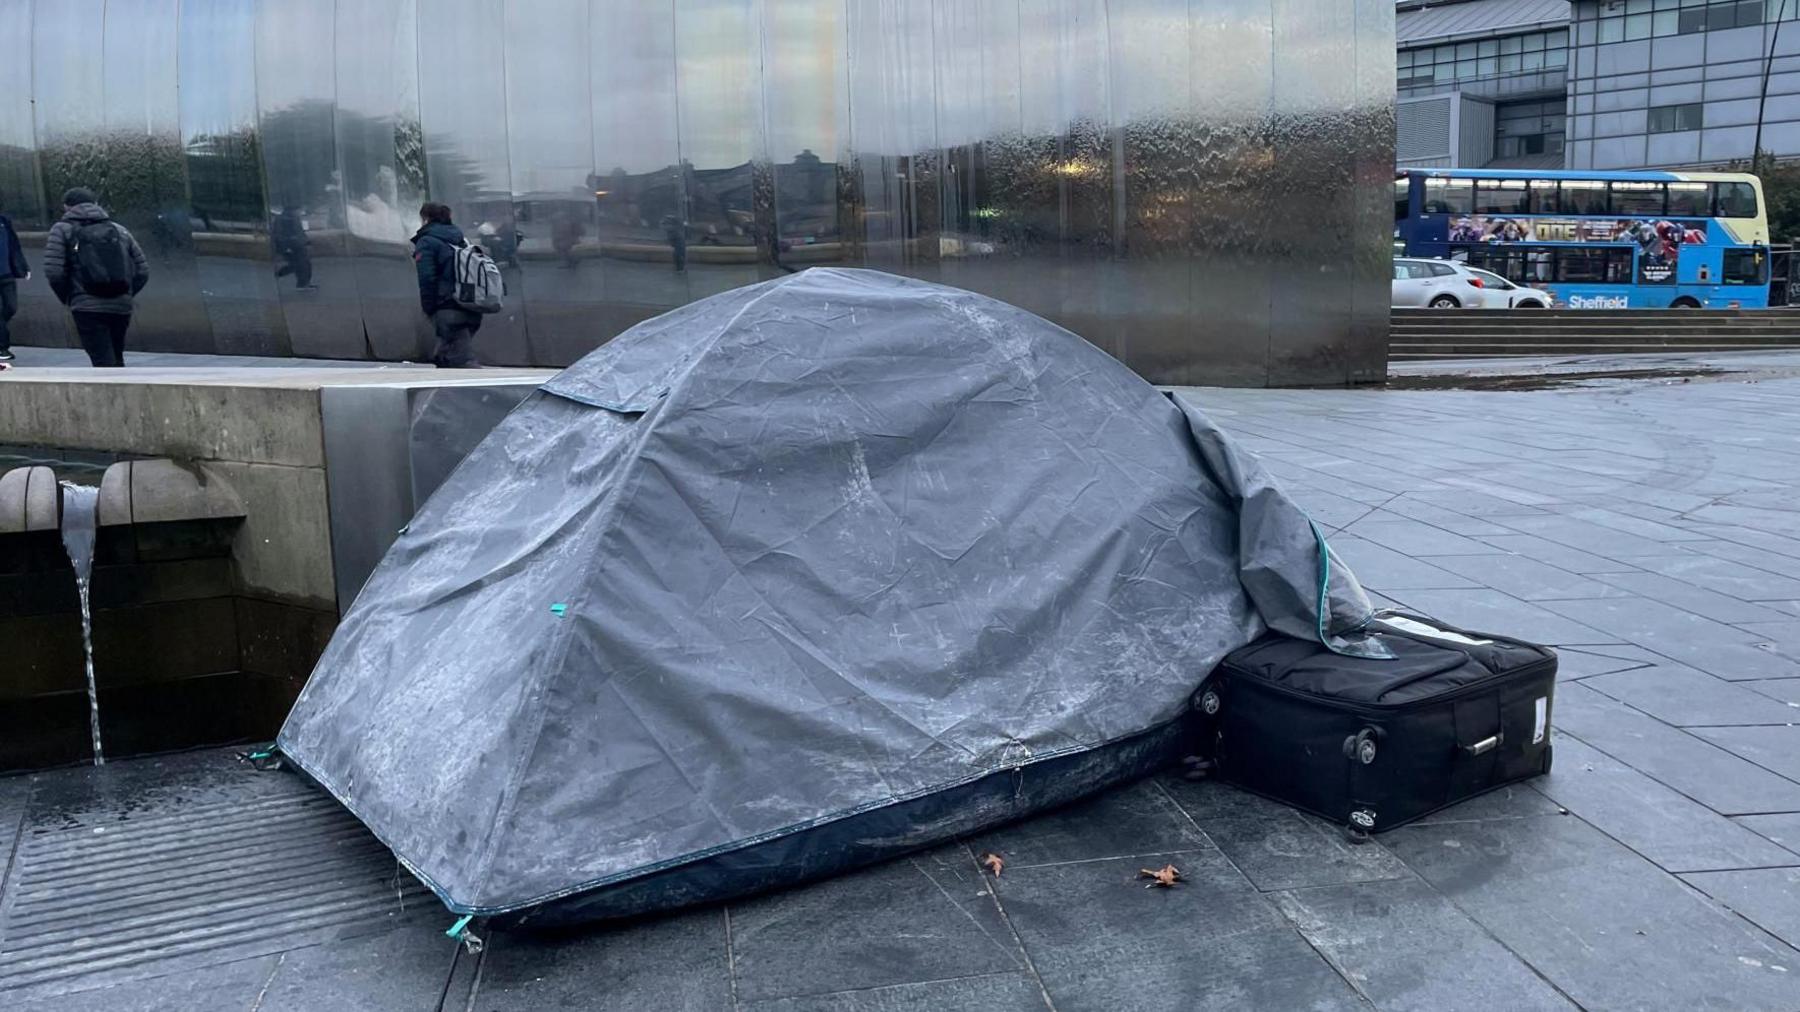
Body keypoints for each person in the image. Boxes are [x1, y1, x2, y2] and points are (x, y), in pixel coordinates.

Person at [44, 188, 149, 368]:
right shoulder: (119, 230)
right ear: (96, 204)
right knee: (117, 357)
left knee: (102, 361)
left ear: (67, 207)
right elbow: (142, 270)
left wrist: (70, 297)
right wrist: (126, 292)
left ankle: (114, 394)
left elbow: (54, 272)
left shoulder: (62, 229)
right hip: (120, 305)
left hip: (86, 305)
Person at [411, 202, 480, 369]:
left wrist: (428, 307)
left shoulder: (427, 242)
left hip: (446, 306)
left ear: (425, 218)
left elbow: (427, 277)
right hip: (470, 304)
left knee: (460, 362)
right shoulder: (461, 239)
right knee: (449, 353)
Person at [0, 205, 30, 362]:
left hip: (6, 273)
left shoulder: (4, 220)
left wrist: (22, 266)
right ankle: (2, 347)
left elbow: (14, 246)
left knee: (11, 307)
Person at [272, 205, 316, 289]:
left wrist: (306, 242)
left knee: (303, 264)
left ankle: (304, 284)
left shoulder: (294, 218)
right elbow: (280, 235)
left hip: (297, 245)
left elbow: (299, 232)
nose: (300, 212)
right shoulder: (284, 219)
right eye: (298, 210)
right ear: (293, 210)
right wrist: (286, 247)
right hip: (291, 246)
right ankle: (301, 284)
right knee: (299, 264)